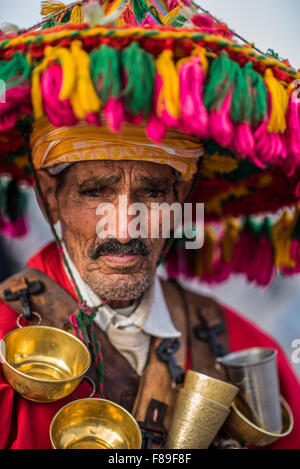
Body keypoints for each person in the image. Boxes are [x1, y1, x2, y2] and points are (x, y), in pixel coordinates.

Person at [0, 0, 300, 450]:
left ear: (181, 197)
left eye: (152, 194)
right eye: (96, 190)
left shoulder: (245, 350)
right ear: (49, 196)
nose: (124, 226)